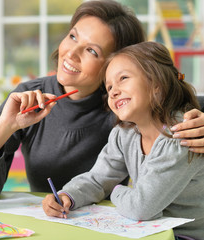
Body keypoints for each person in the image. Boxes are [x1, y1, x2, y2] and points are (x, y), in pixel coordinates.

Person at [0, 0, 204, 201]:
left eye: (92, 51)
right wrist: (5, 126)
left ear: (118, 64)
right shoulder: (28, 96)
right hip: (50, 219)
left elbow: (183, 101)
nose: (71, 53)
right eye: (72, 37)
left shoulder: (127, 105)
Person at [42, 41, 204, 240]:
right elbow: (98, 179)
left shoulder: (180, 135)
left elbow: (141, 207)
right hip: (150, 232)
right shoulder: (124, 133)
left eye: (123, 79)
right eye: (109, 87)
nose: (113, 91)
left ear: (156, 84)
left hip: (184, 236)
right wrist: (67, 196)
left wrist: (117, 191)